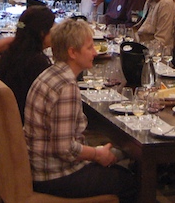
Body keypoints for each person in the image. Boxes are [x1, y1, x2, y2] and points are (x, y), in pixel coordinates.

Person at [24, 19, 136, 202]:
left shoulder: (49, 73)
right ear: (72, 52)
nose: (95, 52)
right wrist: (97, 155)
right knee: (131, 182)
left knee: (119, 168)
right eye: (89, 47)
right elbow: (64, 149)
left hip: (39, 167)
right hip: (55, 176)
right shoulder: (66, 86)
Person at [0, 5, 56, 119]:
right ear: (42, 33)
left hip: (8, 116)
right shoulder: (37, 63)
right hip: (27, 120)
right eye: (53, 29)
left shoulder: (10, 53)